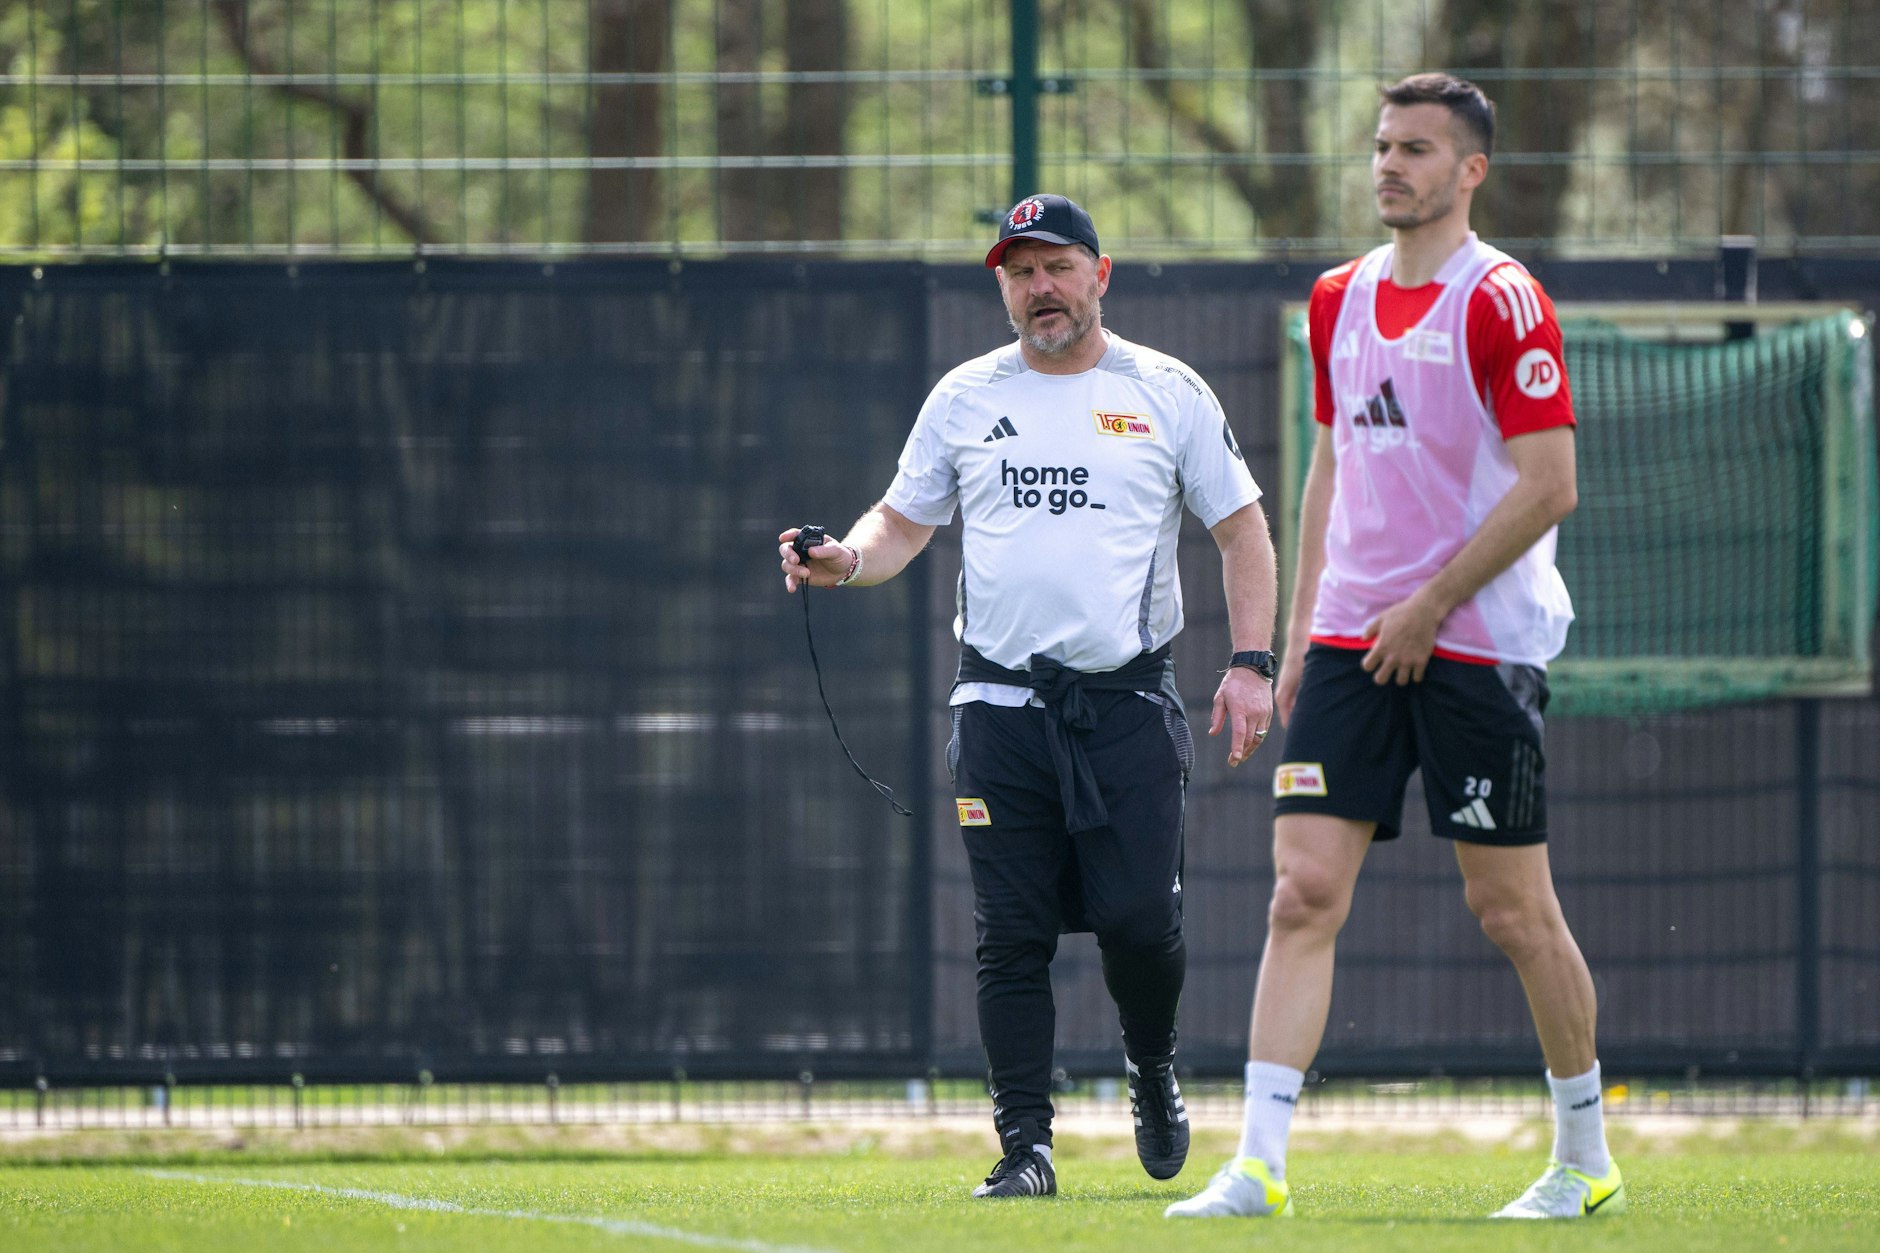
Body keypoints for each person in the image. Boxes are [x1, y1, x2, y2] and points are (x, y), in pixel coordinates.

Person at [1167, 73, 1622, 1222]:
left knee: (1510, 911)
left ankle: (1584, 1156)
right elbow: (1327, 465)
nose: (1387, 165)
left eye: (1415, 149)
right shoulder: (1336, 297)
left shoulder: (1502, 300)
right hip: (1348, 644)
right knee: (1299, 893)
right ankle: (1256, 1164)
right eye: (1380, 145)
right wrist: (1298, 637)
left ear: (1469, 170)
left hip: (1475, 644)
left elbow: (1550, 484)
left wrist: (1427, 604)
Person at [778, 194, 1279, 1199]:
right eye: (1019, 272)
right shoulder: (965, 396)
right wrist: (844, 559)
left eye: (1056, 266)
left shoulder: (1165, 390)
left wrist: (1251, 662)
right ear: (1003, 288)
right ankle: (1025, 1146)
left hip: (1127, 707)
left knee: (1139, 921)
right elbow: (900, 523)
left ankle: (1150, 1064)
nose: (1039, 287)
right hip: (997, 708)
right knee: (1009, 932)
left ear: (1101, 274)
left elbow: (1241, 530)